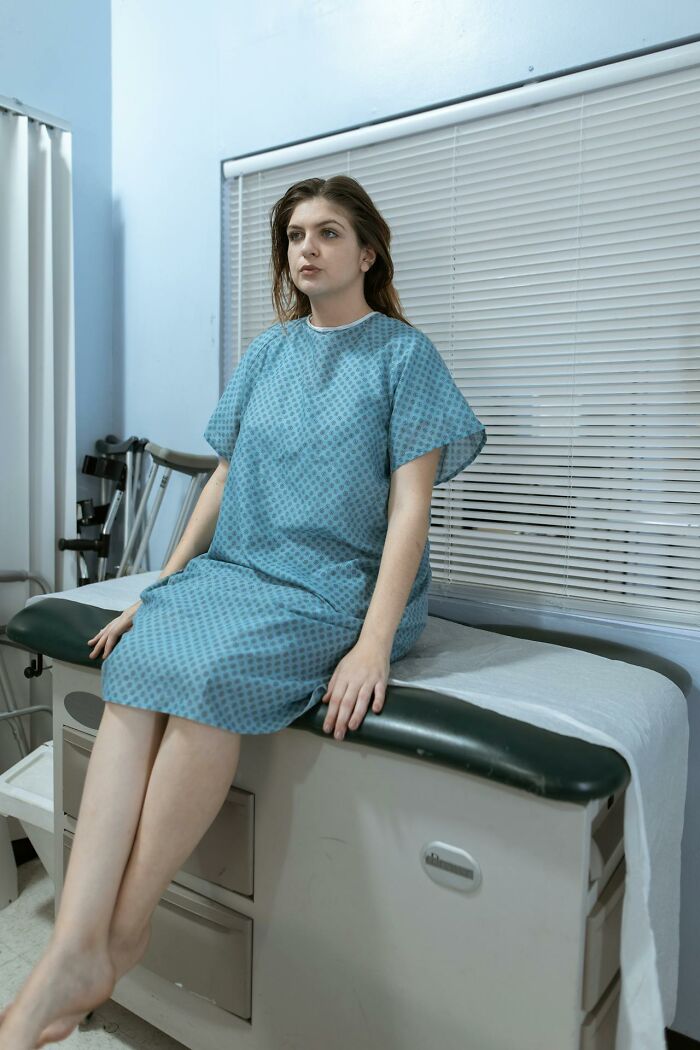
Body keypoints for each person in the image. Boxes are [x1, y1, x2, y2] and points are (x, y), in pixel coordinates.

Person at [0, 175, 486, 1048]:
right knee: (142, 662)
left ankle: (122, 930)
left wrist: (373, 646)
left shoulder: (403, 357)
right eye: (296, 234)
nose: (308, 248)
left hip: (338, 583)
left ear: (367, 252)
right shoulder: (268, 354)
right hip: (245, 572)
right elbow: (224, 478)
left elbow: (410, 512)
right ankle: (76, 945)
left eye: (329, 233)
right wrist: (163, 586)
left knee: (210, 673)